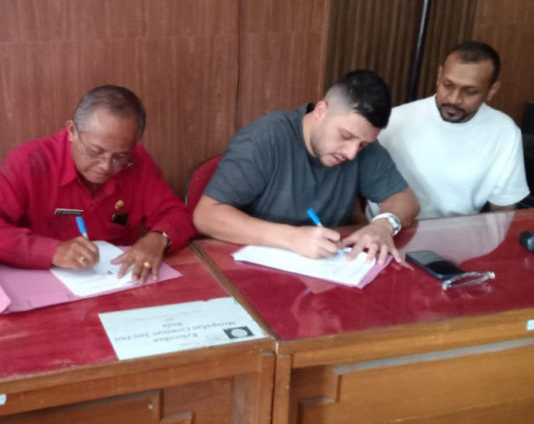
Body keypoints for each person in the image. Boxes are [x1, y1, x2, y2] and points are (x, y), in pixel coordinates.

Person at [193, 70, 419, 264]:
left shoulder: (362, 147)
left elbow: (406, 200)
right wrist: (292, 238)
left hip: (328, 271)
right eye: (345, 136)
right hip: (254, 267)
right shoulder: (263, 139)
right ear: (321, 111)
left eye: (362, 144)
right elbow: (206, 216)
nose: (351, 153)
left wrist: (384, 225)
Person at [0, 85, 195, 281]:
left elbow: (176, 214)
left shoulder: (137, 162)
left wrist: (159, 238)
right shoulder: (30, 163)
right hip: (40, 281)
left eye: (120, 157)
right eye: (95, 152)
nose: (106, 166)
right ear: (72, 131)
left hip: (114, 280)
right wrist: (52, 252)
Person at [371, 40, 529, 219]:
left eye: (470, 91)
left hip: (460, 230)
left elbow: (503, 210)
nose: (453, 99)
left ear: (492, 90)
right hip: (389, 228)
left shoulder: (505, 133)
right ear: (439, 76)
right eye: (448, 85)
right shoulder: (394, 121)